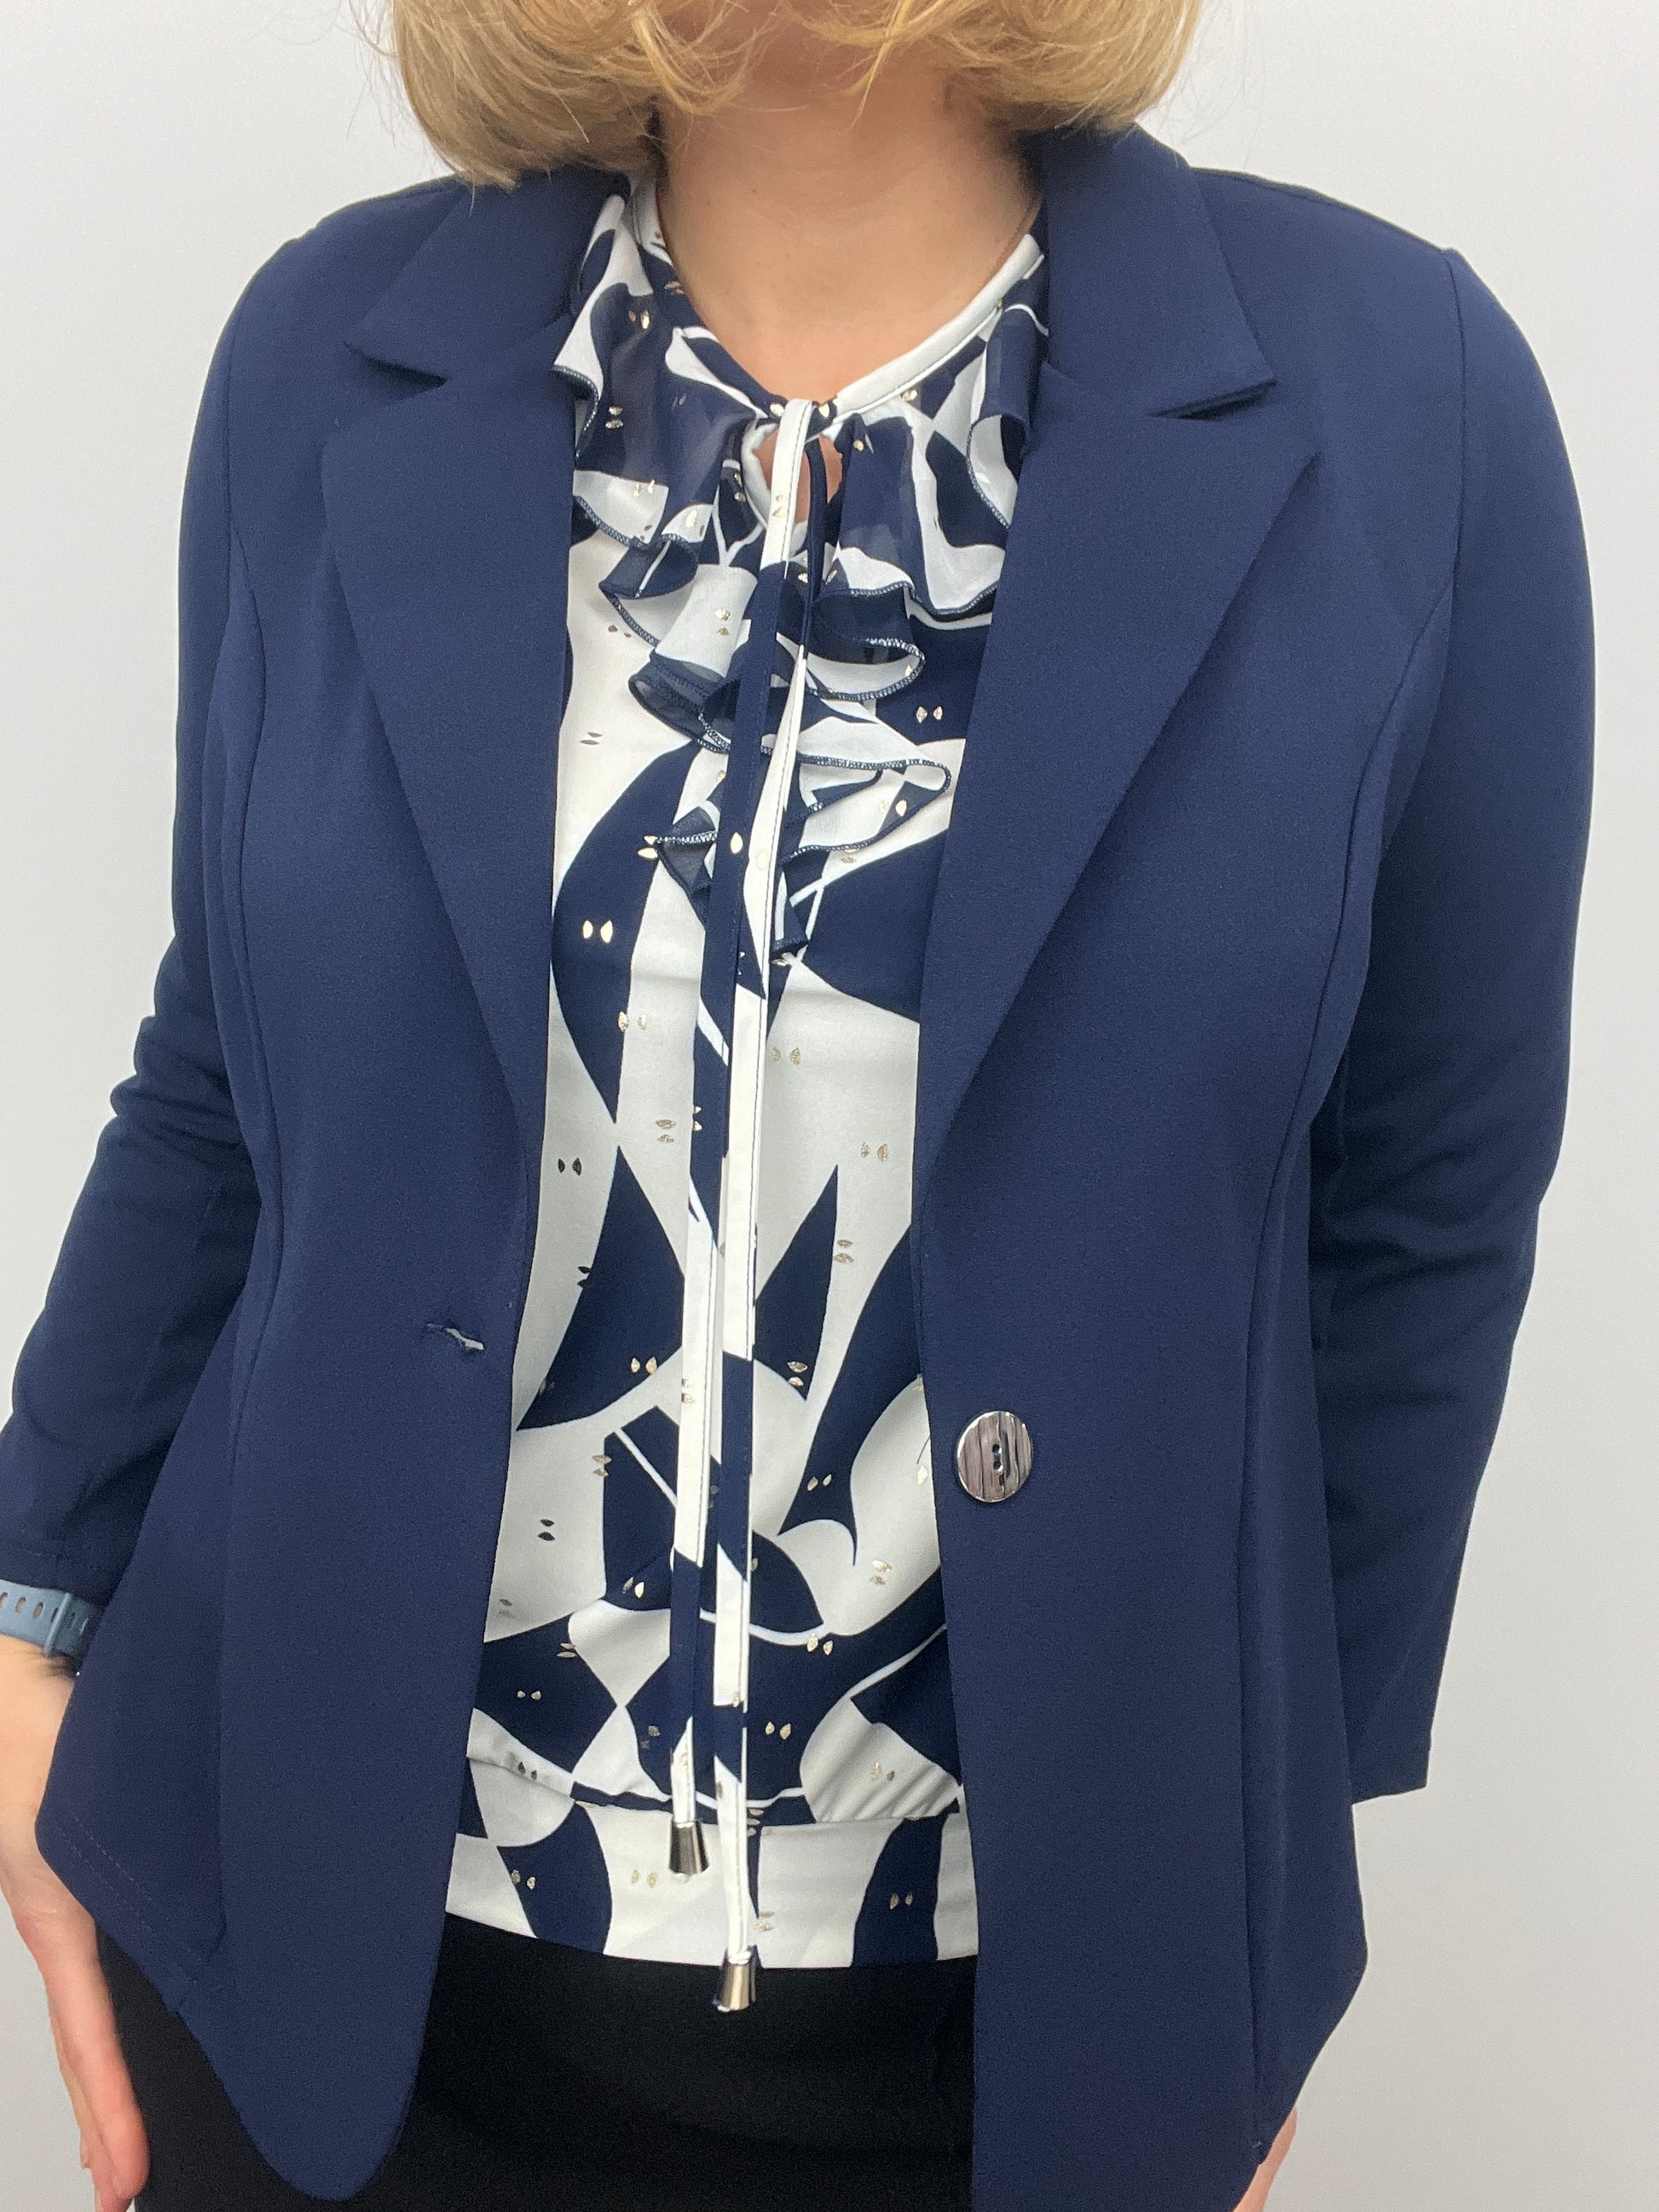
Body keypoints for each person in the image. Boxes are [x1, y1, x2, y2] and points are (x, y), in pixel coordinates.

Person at [0, 2, 1593, 2208]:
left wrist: (1236, 1866)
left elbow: (1426, 1203)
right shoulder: (323, 354)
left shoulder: (1405, 400)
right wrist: (30, 1609)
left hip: (1015, 2031)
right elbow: (222, 1067)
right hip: (315, 1963)